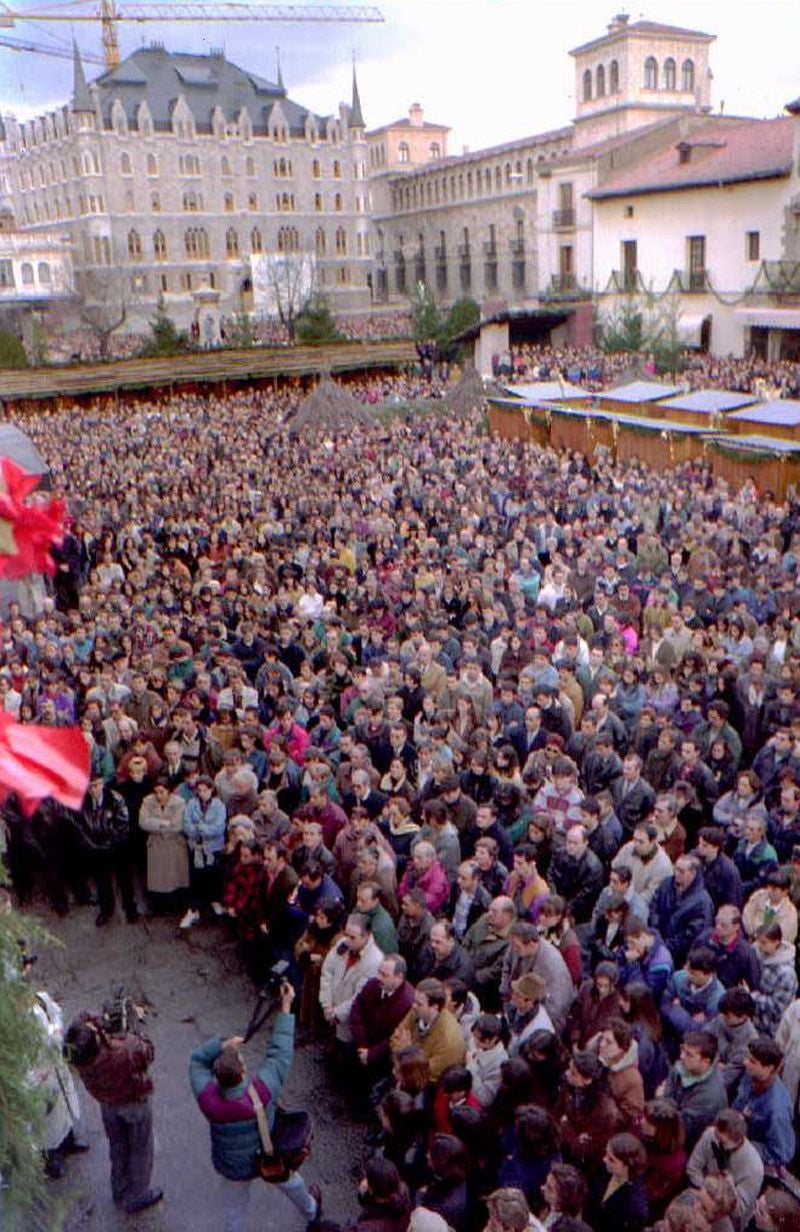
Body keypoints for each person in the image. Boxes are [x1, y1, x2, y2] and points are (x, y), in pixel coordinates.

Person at [189, 980, 319, 1232]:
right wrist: (285, 1008)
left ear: (217, 1076)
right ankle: (312, 1212)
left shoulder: (208, 1100)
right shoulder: (262, 1090)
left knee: (234, 1209)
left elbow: (196, 1062)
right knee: (292, 1184)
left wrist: (219, 1046)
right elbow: (279, 1053)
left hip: (232, 1165)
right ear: (243, 1071)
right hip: (270, 1154)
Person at [64, 1000, 161, 1214]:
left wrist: (99, 1022)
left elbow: (82, 1017)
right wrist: (133, 1022)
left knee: (118, 1146)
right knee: (141, 1149)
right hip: (134, 1101)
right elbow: (148, 1051)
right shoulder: (124, 1050)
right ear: (96, 1038)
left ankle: (119, 1188)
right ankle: (139, 1194)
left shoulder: (77, 1055)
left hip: (107, 1103)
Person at [686, 1110, 764, 1232]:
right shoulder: (710, 1135)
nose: (716, 1142)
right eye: (716, 1136)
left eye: (722, 1142)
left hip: (728, 1218)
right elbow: (693, 1168)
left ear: (738, 1140)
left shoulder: (754, 1167)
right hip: (701, 1197)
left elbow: (739, 1209)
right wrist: (706, 1192)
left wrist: (727, 1177)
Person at [731, 1037, 796, 1167]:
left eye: (752, 1061)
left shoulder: (776, 1110)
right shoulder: (752, 1076)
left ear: (769, 1068)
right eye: (747, 1058)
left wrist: (743, 1145)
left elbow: (781, 1153)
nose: (745, 1062)